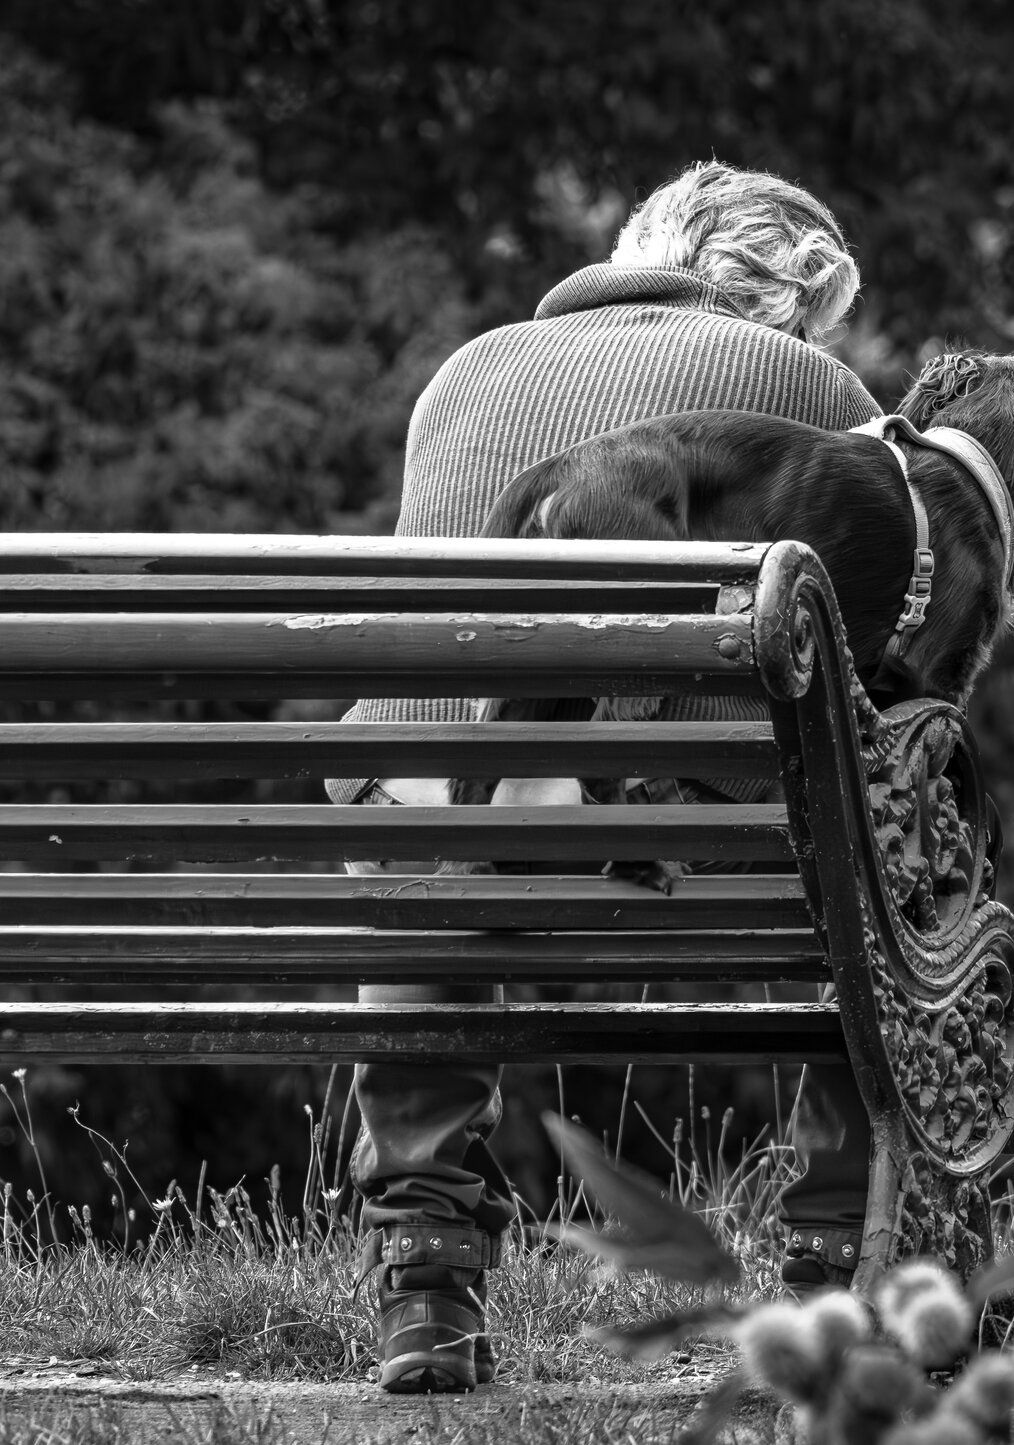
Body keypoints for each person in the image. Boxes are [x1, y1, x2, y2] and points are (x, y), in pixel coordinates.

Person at [328, 161, 881, 1393]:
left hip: (411, 823)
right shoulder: (805, 387)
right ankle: (833, 1263)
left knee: (424, 783)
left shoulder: (462, 371)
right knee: (894, 838)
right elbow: (843, 665)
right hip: (594, 827)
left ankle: (426, 1291)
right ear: (790, 299)